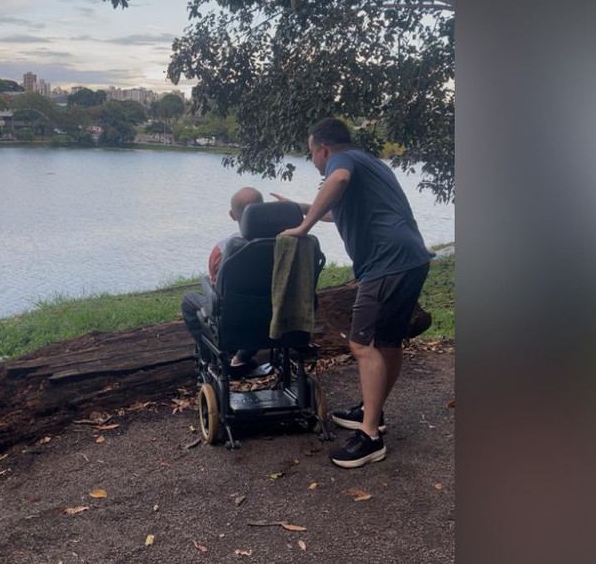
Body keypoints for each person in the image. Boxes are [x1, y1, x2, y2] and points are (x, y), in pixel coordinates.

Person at [275, 117, 433, 469]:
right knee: (388, 342)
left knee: (362, 344)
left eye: (311, 153)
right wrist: (301, 207)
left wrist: (302, 228)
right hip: (411, 258)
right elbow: (337, 210)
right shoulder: (370, 162)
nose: (313, 160)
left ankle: (370, 436)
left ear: (324, 149)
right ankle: (371, 412)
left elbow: (338, 179)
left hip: (386, 263)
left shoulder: (341, 164)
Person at [181, 187, 263, 370]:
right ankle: (243, 357)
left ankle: (210, 357)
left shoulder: (224, 249)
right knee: (261, 306)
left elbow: (215, 286)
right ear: (263, 208)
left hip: (232, 320)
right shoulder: (288, 241)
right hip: (275, 316)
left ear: (232, 215)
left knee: (189, 301)